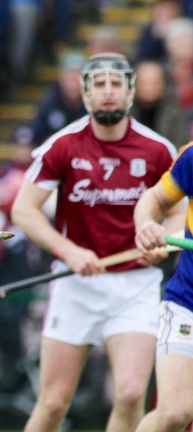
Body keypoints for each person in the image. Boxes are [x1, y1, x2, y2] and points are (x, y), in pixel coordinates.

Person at [10, 53, 184, 432]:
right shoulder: (64, 145)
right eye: (99, 85)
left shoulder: (157, 150)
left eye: (116, 84)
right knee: (54, 402)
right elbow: (24, 210)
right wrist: (67, 250)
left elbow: (176, 214)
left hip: (135, 286)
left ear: (131, 92)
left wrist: (163, 244)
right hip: (75, 284)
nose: (108, 93)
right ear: (85, 95)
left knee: (131, 394)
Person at [133, 136, 193, 430]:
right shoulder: (192, 157)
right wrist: (146, 225)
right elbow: (154, 198)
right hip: (187, 304)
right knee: (173, 414)